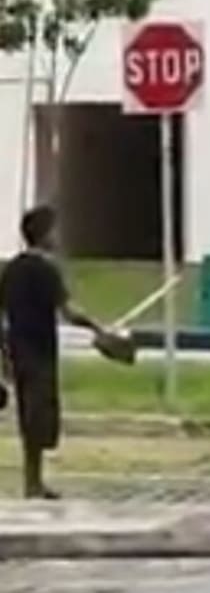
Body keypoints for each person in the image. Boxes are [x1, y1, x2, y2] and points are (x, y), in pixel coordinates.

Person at [0, 206, 104, 499]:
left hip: (16, 349)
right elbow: (68, 311)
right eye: (54, 230)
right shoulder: (47, 270)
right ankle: (33, 482)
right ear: (45, 234)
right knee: (41, 414)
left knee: (28, 413)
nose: (58, 237)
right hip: (40, 350)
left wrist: (2, 353)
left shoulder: (11, 269)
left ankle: (32, 479)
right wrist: (98, 328)